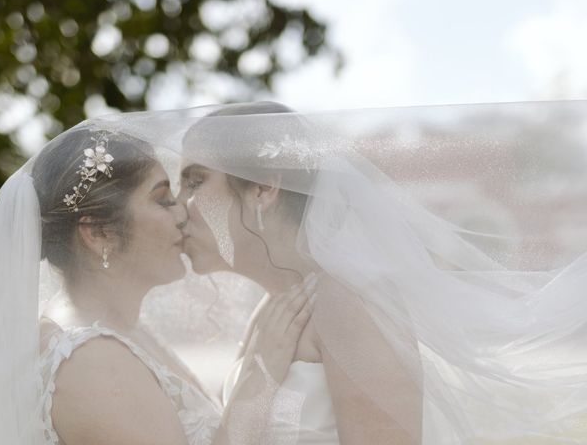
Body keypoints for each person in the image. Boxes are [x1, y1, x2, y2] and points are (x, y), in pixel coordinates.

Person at [174, 101, 587, 444]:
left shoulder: (349, 301)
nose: (178, 207)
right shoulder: (272, 308)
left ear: (263, 188)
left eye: (194, 181)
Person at [0, 124, 314, 445]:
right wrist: (261, 377)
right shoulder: (92, 362)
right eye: (162, 200)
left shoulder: (122, 334)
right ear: (99, 232)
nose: (182, 214)